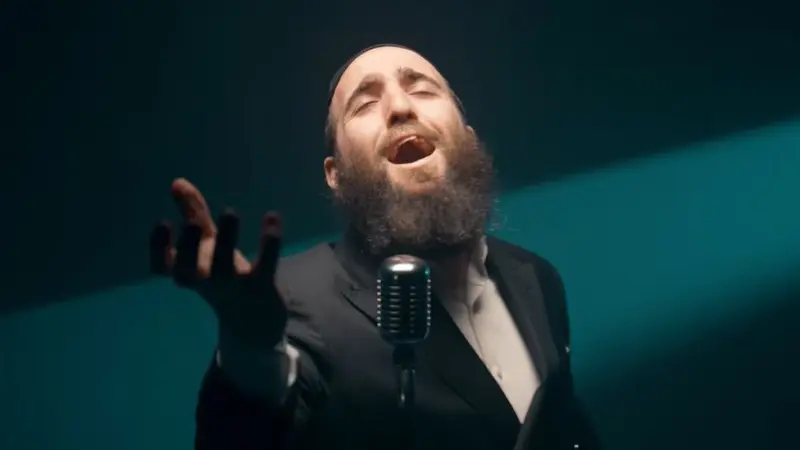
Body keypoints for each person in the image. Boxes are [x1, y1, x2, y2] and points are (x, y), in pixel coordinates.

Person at [150, 44, 601, 450]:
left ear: (467, 138)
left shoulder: (535, 277)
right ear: (336, 174)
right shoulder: (294, 302)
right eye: (365, 104)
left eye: (421, 89)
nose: (401, 107)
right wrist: (251, 348)